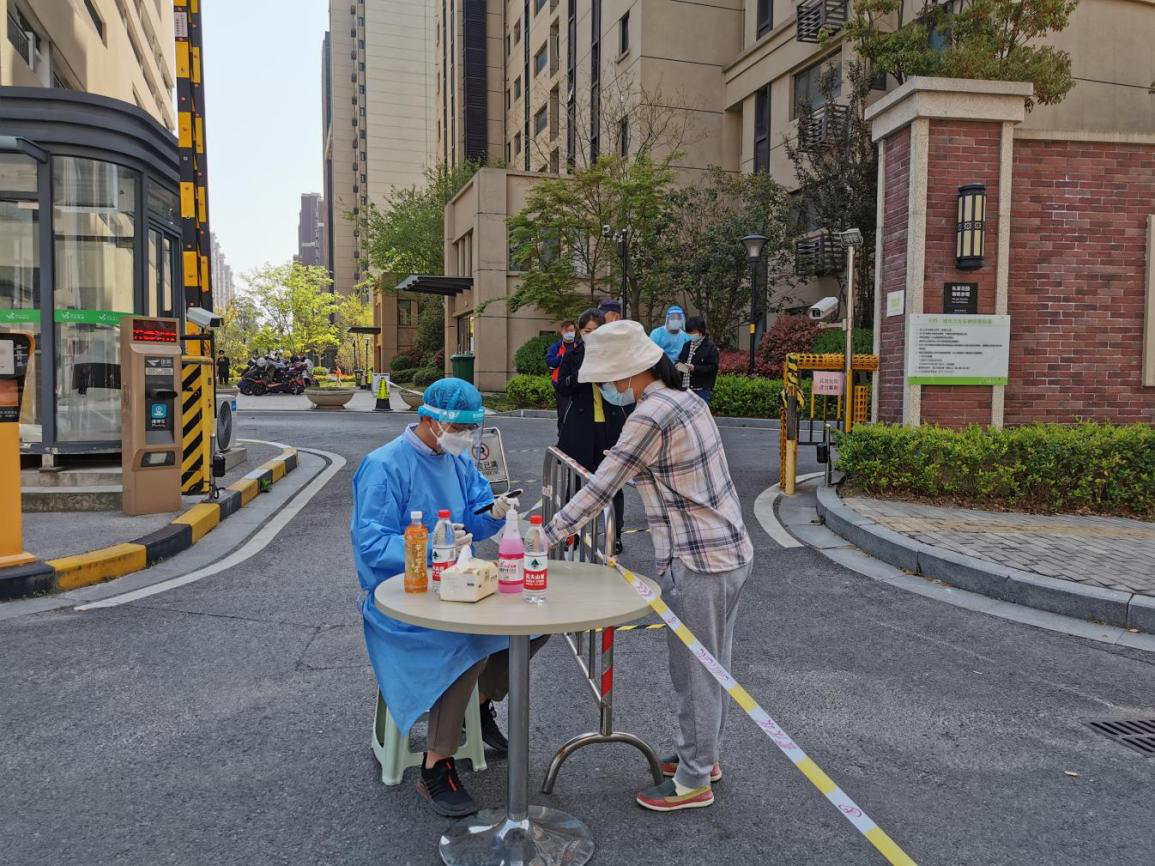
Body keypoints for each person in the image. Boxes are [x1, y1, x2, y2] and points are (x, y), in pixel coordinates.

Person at [543, 320, 753, 813]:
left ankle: (694, 781)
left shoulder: (650, 415)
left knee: (695, 672)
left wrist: (544, 536)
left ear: (628, 373)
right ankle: (702, 757)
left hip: (698, 559)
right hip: (728, 551)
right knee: (712, 665)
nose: (608, 388)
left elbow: (602, 486)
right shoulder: (686, 400)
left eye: (608, 379)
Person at [351, 378, 548, 818]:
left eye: (470, 428)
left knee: (532, 625)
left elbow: (474, 518)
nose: (465, 437)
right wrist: (427, 547)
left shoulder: (456, 460)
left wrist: (492, 512)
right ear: (428, 419)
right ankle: (436, 766)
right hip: (403, 596)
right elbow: (371, 545)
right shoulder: (383, 466)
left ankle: (477, 704)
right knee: (462, 643)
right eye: (458, 428)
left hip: (458, 585)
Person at [555, 309, 627, 554]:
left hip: (610, 427)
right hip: (580, 428)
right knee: (576, 483)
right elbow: (562, 387)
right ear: (580, 332)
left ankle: (615, 535)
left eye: (597, 331)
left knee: (613, 483)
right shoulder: (572, 356)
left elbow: (626, 387)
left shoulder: (615, 355)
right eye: (587, 331)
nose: (592, 335)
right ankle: (570, 533)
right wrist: (583, 374)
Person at [675, 315, 719, 404]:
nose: (691, 334)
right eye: (689, 332)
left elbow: (713, 368)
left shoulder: (710, 347)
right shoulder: (686, 345)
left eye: (693, 332)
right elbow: (680, 360)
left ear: (701, 330)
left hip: (701, 389)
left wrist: (694, 368)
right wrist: (679, 366)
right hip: (685, 388)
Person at [546, 320, 576, 432]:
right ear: (562, 332)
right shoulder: (556, 347)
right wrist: (563, 356)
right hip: (560, 384)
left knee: (576, 412)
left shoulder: (579, 345)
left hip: (577, 383)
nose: (569, 333)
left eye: (571, 330)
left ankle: (575, 435)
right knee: (563, 412)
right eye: (567, 331)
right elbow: (550, 362)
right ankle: (562, 435)